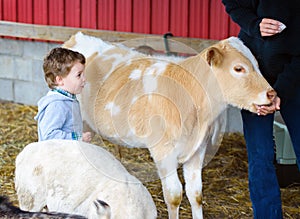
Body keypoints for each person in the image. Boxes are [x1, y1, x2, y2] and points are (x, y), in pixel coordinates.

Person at [222, 0, 300, 218]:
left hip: (294, 74)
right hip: (254, 72)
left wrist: (280, 91)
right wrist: (254, 25)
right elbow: (233, 4)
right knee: (260, 153)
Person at [35, 47, 92, 143]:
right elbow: (49, 135)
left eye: (83, 74)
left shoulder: (68, 99)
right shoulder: (57, 105)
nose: (84, 79)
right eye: (79, 75)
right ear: (60, 80)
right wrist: (77, 137)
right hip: (57, 155)